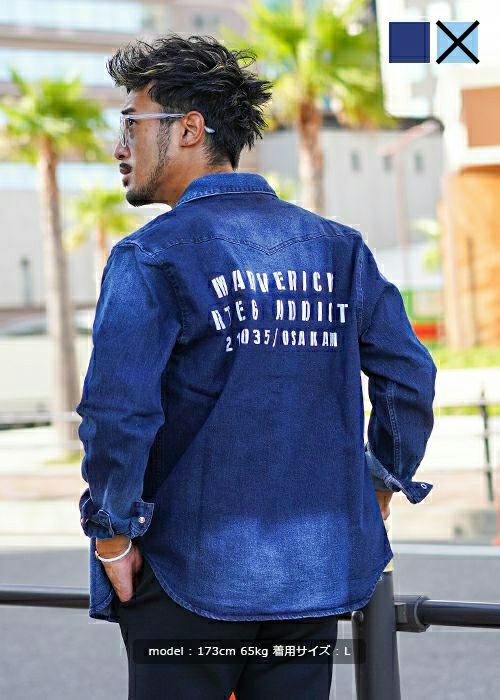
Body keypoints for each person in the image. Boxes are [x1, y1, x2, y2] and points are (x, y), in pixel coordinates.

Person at [76, 33, 437, 699]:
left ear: (189, 129)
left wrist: (112, 535)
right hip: (312, 573)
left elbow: (117, 413)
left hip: (186, 572)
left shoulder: (152, 255)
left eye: (131, 123)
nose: (119, 147)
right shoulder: (338, 249)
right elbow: (409, 376)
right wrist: (380, 481)